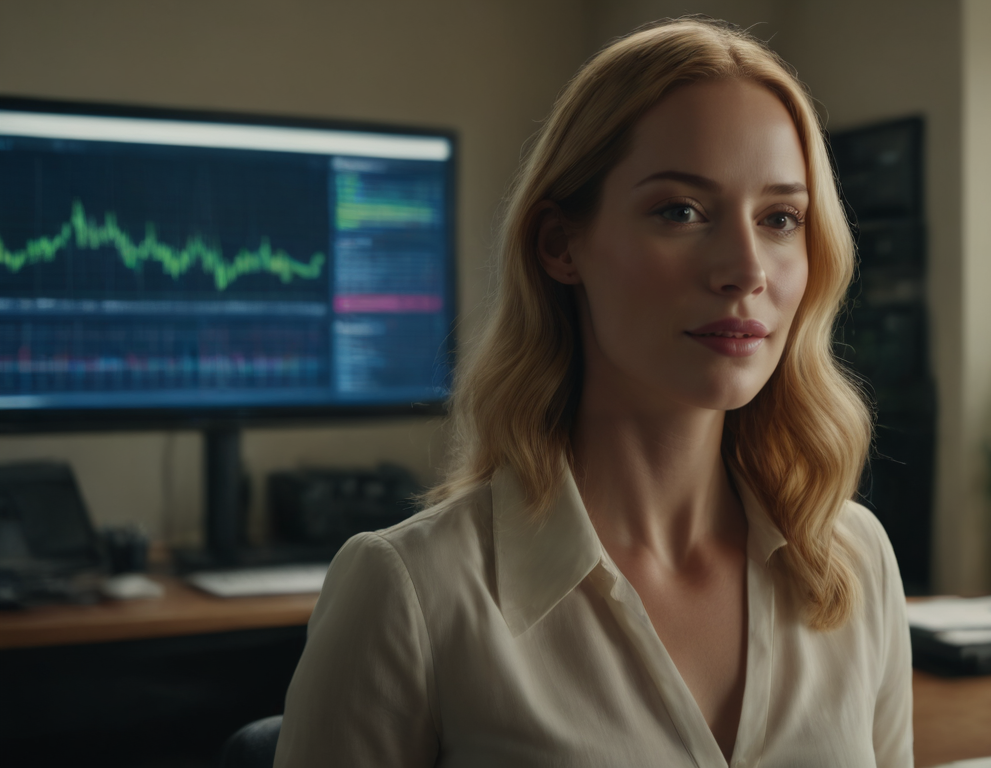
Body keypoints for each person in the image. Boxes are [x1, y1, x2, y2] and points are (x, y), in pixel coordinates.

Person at [274, 16, 912, 767]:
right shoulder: (409, 592)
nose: (747, 268)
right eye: (681, 211)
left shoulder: (853, 561)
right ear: (560, 245)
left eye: (780, 218)